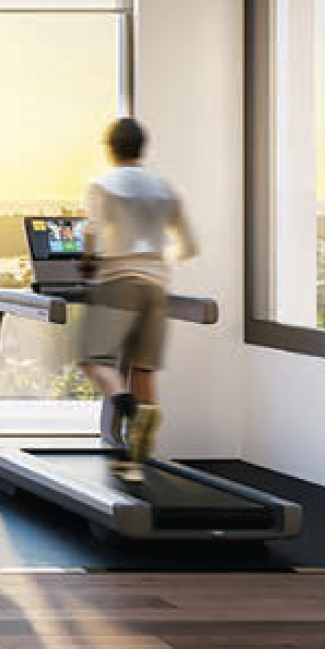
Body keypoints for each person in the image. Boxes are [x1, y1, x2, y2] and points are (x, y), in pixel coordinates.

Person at [76, 117, 198, 482]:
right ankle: (136, 463)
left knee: (92, 360)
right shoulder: (165, 189)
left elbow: (93, 231)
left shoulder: (102, 184)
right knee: (143, 370)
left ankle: (128, 410)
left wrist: (88, 265)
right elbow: (189, 246)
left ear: (110, 147)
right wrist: (156, 263)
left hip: (119, 281)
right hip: (157, 285)